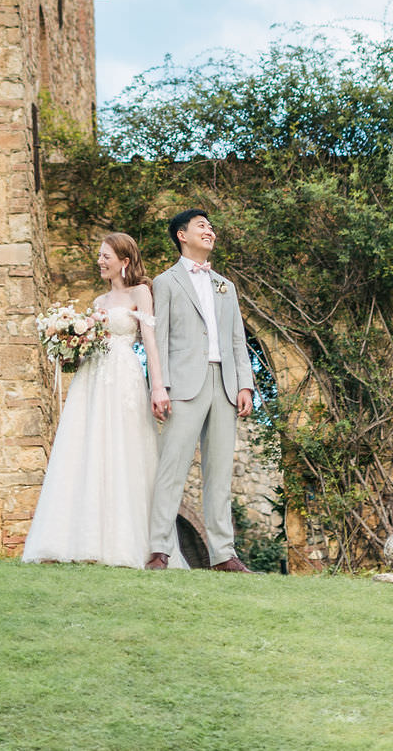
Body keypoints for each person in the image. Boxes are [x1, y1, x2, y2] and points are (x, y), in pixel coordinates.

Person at [22, 232, 167, 567]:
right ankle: (79, 541)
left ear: (124, 260)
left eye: (106, 256)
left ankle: (126, 545)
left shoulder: (140, 292)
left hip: (124, 376)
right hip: (92, 378)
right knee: (89, 449)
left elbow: (150, 341)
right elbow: (89, 340)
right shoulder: (100, 303)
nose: (100, 262)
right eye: (99, 256)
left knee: (123, 450)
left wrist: (157, 387)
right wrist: (68, 341)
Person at [146, 209, 255, 572]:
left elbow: (238, 340)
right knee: (171, 468)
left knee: (220, 472)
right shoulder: (165, 282)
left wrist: (245, 385)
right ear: (182, 235)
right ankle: (159, 548)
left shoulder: (226, 286)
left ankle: (224, 554)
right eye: (201, 226)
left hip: (224, 386)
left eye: (211, 226)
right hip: (183, 385)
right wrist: (158, 386)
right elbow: (157, 340)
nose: (210, 231)